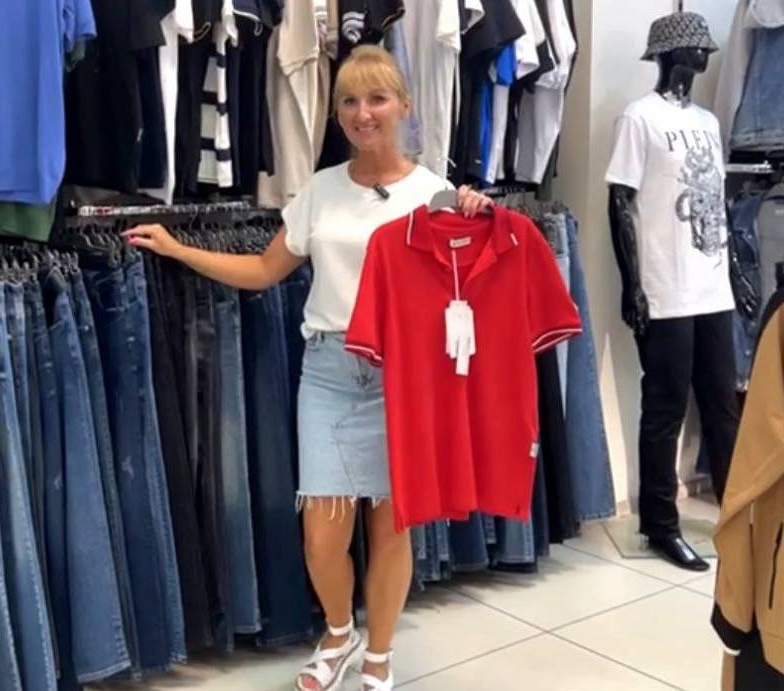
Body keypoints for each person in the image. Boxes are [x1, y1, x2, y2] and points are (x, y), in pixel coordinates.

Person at [124, 44, 492, 691]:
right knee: (321, 535)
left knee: (392, 525)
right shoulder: (320, 190)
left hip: (404, 376)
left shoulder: (434, 193)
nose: (362, 112)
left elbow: (472, 287)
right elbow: (266, 269)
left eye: (376, 98)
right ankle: (339, 633)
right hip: (329, 370)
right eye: (348, 100)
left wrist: (477, 219)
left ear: (404, 105)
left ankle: (379, 654)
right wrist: (180, 250)